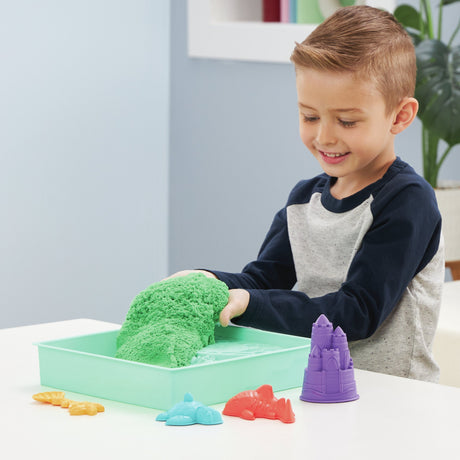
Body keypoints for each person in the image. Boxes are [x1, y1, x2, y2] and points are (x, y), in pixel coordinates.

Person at [168, 6, 444, 382]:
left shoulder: (407, 201)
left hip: (395, 395)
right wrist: (211, 281)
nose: (324, 136)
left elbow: (358, 312)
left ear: (399, 116)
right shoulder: (303, 201)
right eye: (310, 116)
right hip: (319, 386)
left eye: (346, 121)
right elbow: (265, 280)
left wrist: (251, 304)